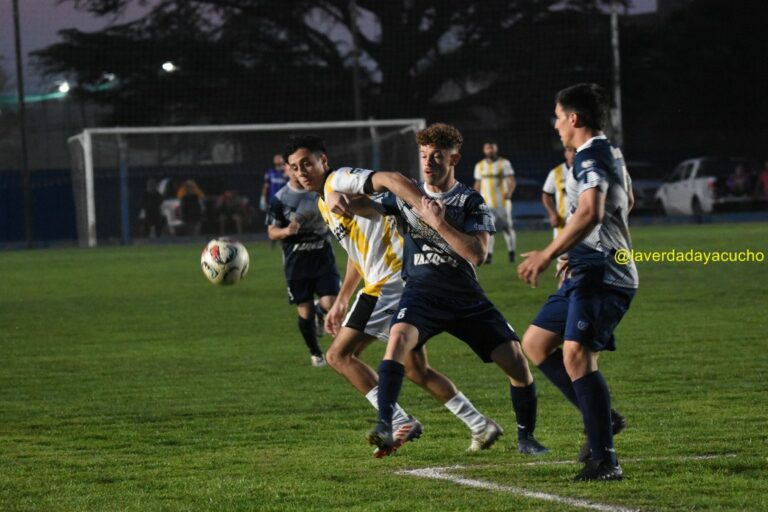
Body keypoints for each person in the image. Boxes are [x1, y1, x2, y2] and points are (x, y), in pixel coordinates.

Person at [324, 123, 548, 456]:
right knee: (397, 340)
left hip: (465, 296)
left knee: (517, 364)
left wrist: (438, 222)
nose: (429, 163)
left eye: (437, 156)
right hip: (420, 294)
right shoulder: (405, 198)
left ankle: (526, 437)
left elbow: (476, 254)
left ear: (454, 158)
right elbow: (361, 205)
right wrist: (335, 197)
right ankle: (386, 423)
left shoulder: (471, 201)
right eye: (424, 155)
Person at [286, 134, 506, 457]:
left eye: (307, 162)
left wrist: (424, 208)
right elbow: (357, 252)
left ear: (324, 160)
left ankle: (399, 420)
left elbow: (392, 179)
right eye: (294, 167)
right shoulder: (324, 201)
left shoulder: (339, 180)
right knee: (416, 369)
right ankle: (479, 424)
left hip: (389, 282)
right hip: (397, 282)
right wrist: (344, 297)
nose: (301, 171)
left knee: (338, 355)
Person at [517, 83, 638, 481]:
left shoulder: (590, 155)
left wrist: (550, 252)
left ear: (574, 118)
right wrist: (577, 250)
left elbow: (591, 212)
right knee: (535, 344)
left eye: (557, 116)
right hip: (586, 268)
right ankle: (601, 418)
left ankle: (605, 458)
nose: (555, 125)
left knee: (576, 356)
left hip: (604, 274)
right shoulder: (608, 151)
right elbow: (628, 202)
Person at [266, 161, 339, 367]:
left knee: (330, 303)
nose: (298, 172)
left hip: (323, 257)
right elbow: (271, 232)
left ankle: (320, 312)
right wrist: (286, 231)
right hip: (296, 263)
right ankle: (316, 352)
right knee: (304, 310)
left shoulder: (319, 191)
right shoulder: (280, 199)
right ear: (287, 171)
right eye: (292, 168)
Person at [473, 141, 517, 263]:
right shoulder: (479, 166)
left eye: (492, 148)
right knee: (488, 230)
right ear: (484, 150)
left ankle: (512, 252)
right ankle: (489, 255)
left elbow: (512, 180)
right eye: (487, 148)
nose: (490, 150)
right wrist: (475, 198)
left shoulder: (504, 163)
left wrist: (509, 193)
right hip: (487, 205)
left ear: (496, 149)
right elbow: (477, 183)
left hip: (502, 203)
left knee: (507, 228)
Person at [542, 147, 575, 240]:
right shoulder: (556, 173)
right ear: (565, 153)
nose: (573, 154)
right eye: (569, 150)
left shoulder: (587, 171)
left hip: (583, 223)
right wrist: (552, 214)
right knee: (563, 254)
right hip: (563, 223)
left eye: (575, 150)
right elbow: (546, 194)